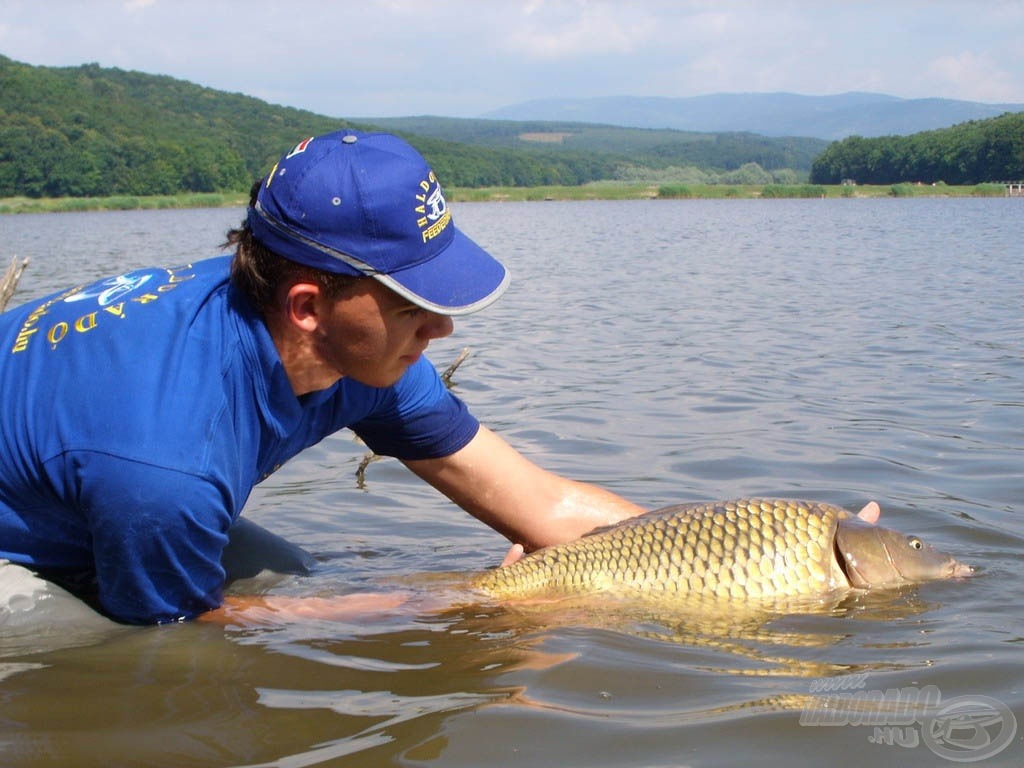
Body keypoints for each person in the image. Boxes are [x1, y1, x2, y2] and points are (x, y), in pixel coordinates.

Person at [0, 129, 648, 625]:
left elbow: (541, 505)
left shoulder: (372, 355)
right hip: (79, 505)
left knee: (298, 579)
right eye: (412, 305)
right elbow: (187, 631)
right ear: (308, 306)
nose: (442, 329)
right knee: (108, 650)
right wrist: (448, 601)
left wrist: (727, 554)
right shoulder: (170, 462)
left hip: (99, 484)